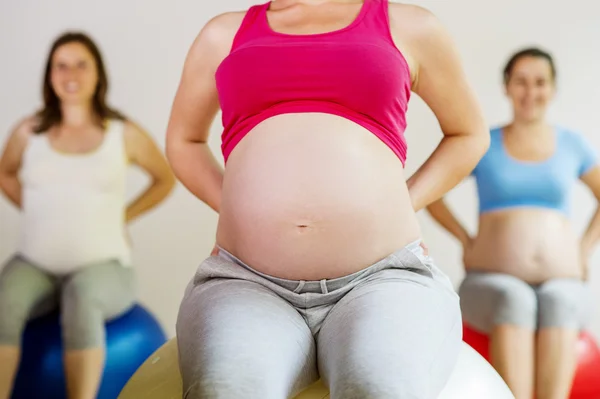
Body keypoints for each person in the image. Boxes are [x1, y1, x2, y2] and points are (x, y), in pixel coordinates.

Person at [166, 0, 489, 397]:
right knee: (226, 390)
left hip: (383, 277)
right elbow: (184, 141)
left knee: (380, 388)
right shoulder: (223, 34)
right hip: (247, 280)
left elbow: (469, 133)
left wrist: (403, 202)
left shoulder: (411, 25)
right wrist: (237, 208)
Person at [0, 32, 175, 399]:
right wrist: (39, 211)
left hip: (105, 267)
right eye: (61, 65)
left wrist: (123, 215)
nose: (71, 73)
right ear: (50, 75)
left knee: (82, 297)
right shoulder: (28, 132)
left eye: (82, 64)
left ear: (98, 74)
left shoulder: (122, 133)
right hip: (36, 264)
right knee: (5, 300)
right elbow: (5, 173)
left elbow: (165, 178)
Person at [426, 47, 600, 399]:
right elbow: (432, 190)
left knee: (560, 299)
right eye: (520, 82)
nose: (530, 92)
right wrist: (464, 240)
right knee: (513, 297)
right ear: (506, 87)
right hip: (491, 283)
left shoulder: (572, 145)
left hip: (561, 279)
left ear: (552, 89)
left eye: (540, 83)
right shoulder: (483, 143)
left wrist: (583, 250)